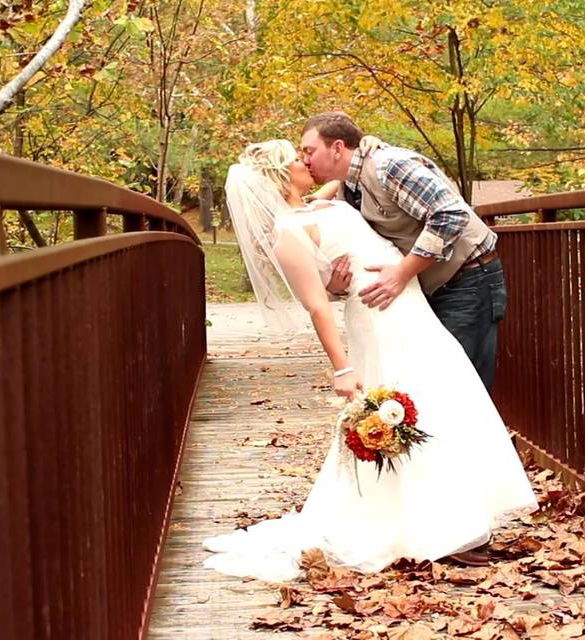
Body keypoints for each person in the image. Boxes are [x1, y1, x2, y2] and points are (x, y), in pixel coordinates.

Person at [201, 140, 535, 582]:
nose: (305, 162)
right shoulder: (288, 234)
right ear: (282, 177)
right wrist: (343, 369)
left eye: (307, 153)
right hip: (381, 325)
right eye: (296, 160)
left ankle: (459, 517)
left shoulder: (323, 203)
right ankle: (446, 531)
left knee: (448, 407)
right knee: (414, 415)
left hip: (414, 313)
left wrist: (368, 145)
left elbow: (347, 170)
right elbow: (318, 305)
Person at [299, 112, 506, 392]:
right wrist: (337, 285)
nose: (305, 160)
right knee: (432, 389)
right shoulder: (348, 187)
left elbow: (449, 215)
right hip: (427, 290)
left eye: (309, 151)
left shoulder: (388, 165)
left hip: (468, 281)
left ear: (337, 148)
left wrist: (402, 272)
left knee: (462, 391)